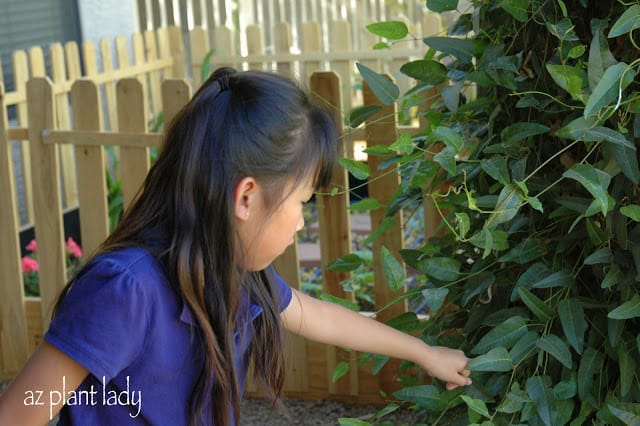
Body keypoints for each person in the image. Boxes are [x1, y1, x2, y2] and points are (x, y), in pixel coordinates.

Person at [0, 67, 471, 426]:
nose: (300, 222)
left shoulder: (237, 273)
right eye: (301, 202)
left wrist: (423, 352)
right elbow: (24, 408)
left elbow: (318, 316)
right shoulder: (127, 289)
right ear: (246, 197)